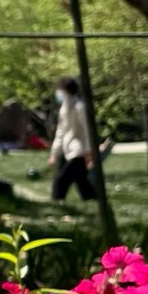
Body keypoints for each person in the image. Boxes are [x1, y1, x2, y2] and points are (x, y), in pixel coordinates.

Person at [50, 75, 98, 203]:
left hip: (79, 151)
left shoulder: (79, 107)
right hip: (68, 150)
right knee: (82, 181)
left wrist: (89, 151)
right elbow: (61, 132)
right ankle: (94, 201)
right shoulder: (64, 108)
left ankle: (57, 203)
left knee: (61, 180)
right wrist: (55, 153)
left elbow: (88, 130)